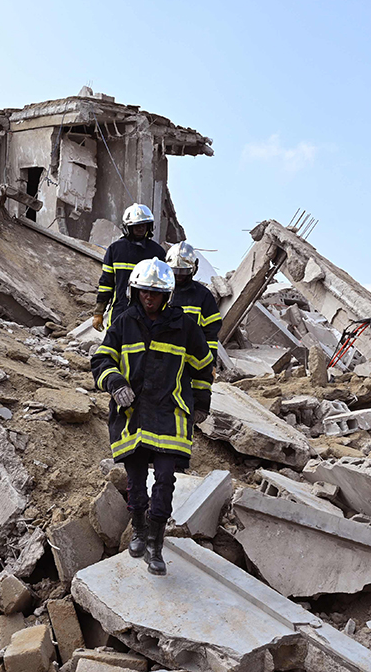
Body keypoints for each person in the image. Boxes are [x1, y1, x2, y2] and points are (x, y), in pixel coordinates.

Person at [91, 258, 214, 575]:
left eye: (156, 293)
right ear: (136, 291)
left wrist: (201, 401)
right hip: (131, 412)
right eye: (145, 291)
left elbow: (202, 366)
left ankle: (156, 546)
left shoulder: (184, 325)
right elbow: (103, 360)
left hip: (169, 412)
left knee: (164, 480)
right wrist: (115, 383)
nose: (149, 298)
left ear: (167, 295)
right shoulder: (123, 321)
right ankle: (139, 531)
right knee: (135, 482)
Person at [93, 204, 166, 332]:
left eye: (144, 224)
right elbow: (106, 283)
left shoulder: (157, 252)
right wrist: (99, 312)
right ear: (128, 227)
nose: (140, 228)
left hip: (147, 314)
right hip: (120, 310)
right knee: (114, 345)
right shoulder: (115, 249)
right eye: (136, 225)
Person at [166, 241, 222, 355]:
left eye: (183, 271)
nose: (178, 276)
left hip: (191, 360)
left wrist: (211, 363)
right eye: (175, 271)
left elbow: (211, 332)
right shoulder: (160, 292)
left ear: (194, 268)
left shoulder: (203, 295)